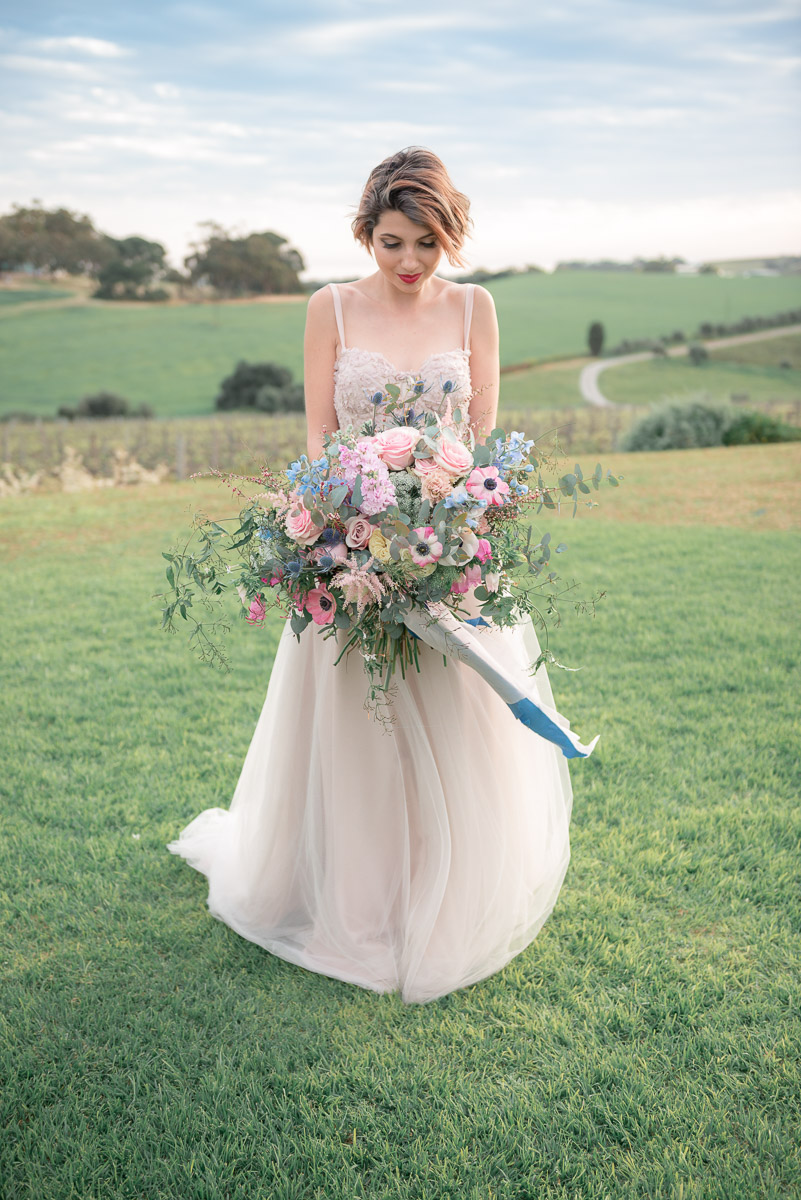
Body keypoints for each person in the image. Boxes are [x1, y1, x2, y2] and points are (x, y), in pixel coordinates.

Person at [168, 147, 574, 1005]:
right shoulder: (331, 308)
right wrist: (350, 524)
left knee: (451, 723)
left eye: (426, 244)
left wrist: (460, 515)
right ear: (365, 232)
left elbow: (486, 427)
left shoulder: (475, 305)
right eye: (391, 242)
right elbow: (319, 430)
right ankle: (353, 902)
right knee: (359, 728)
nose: (408, 263)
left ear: (448, 237)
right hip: (350, 551)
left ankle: (446, 892)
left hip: (448, 552)